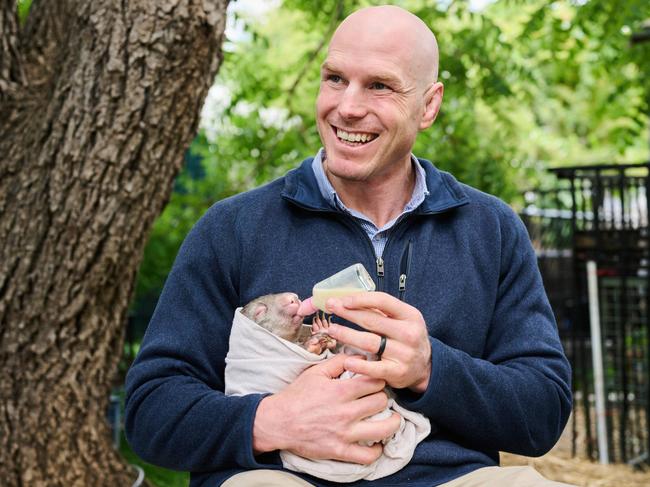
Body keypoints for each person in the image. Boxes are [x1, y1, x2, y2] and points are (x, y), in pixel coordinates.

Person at [124, 5, 573, 487]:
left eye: (379, 85)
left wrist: (429, 370)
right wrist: (272, 421)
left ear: (429, 105)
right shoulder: (233, 228)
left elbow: (542, 412)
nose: (347, 106)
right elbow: (152, 409)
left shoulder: (491, 229)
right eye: (335, 78)